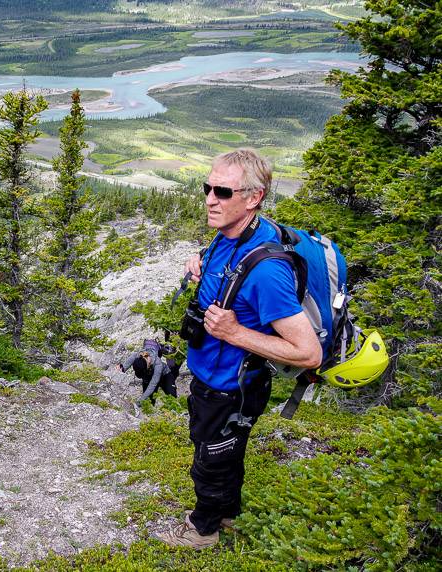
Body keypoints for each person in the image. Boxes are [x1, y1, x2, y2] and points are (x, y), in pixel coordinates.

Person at [155, 149, 321, 548]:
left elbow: (308, 353)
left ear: (254, 197)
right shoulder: (232, 234)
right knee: (222, 452)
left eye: (223, 191)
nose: (211, 198)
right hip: (214, 378)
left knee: (211, 459)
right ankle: (227, 513)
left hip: (232, 387)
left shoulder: (268, 274)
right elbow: (229, 277)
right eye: (207, 187)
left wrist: (234, 333)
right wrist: (199, 262)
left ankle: (203, 529)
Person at [118, 339, 178, 405]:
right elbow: (124, 366)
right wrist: (121, 369)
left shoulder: (158, 364)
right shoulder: (138, 355)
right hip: (148, 376)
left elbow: (153, 384)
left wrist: (140, 401)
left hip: (165, 375)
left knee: (172, 397)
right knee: (148, 402)